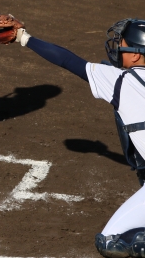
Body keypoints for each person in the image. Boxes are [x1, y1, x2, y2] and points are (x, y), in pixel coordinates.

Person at [11, 18, 145, 258]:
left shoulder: (120, 80)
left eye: (122, 44)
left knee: (111, 242)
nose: (117, 47)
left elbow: (68, 60)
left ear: (135, 55)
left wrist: (24, 37)